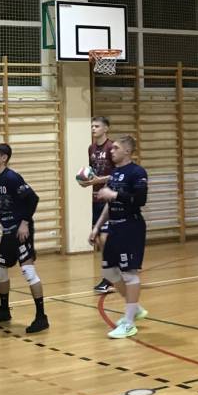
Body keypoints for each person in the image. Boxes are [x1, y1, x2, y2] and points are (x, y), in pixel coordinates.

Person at [0, 144, 47, 333]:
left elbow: (33, 199)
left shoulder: (12, 177)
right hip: (8, 231)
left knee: (28, 272)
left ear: (4, 158)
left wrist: (24, 222)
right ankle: (3, 310)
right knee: (0, 270)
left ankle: (41, 317)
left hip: (20, 231)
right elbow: (7, 205)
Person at [89, 135, 149, 339]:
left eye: (115, 148)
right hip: (114, 228)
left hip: (130, 227)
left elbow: (140, 199)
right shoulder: (115, 173)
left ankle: (129, 323)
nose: (111, 151)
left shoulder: (137, 172)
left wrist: (113, 195)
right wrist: (97, 227)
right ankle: (136, 308)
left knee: (129, 274)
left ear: (127, 151)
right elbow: (110, 204)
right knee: (109, 272)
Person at [81, 116, 115, 293]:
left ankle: (109, 278)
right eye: (92, 126)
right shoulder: (91, 148)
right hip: (96, 199)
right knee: (100, 240)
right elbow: (92, 173)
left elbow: (118, 174)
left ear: (106, 128)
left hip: (109, 199)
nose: (93, 129)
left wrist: (98, 180)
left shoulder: (112, 147)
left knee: (105, 238)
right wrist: (86, 181)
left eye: (97, 126)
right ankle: (114, 272)